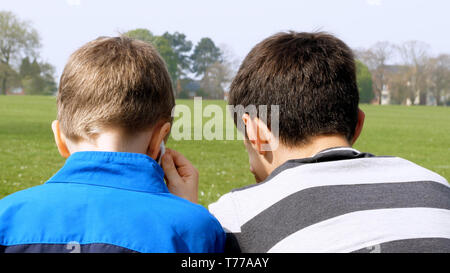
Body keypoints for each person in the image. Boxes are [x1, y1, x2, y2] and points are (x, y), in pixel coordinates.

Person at [162, 31, 450, 253]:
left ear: (256, 132)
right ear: (358, 124)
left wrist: (188, 220)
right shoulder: (438, 189)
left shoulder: (235, 217)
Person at [0, 36, 225, 253]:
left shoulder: (6, 217)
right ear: (159, 139)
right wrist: (187, 217)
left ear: (60, 138)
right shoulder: (197, 230)